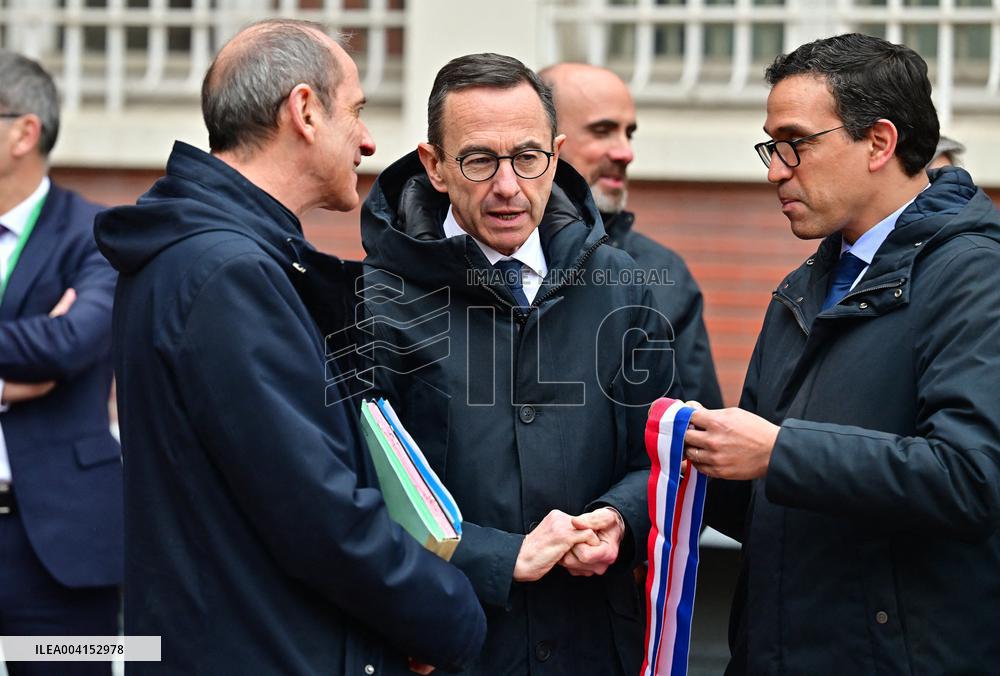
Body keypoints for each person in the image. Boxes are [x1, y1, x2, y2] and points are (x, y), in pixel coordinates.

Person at [93, 20, 485, 675]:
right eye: (356, 111)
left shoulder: (205, 256)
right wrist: (455, 618)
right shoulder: (228, 275)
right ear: (304, 110)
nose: (366, 140)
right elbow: (319, 516)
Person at [687, 33, 1000, 674]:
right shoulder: (807, 285)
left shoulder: (976, 277)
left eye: (795, 144)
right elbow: (767, 508)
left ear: (879, 143)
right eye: (770, 146)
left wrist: (779, 451)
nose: (775, 169)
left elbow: (973, 479)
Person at [359, 53, 679, 675]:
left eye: (528, 158)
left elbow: (666, 452)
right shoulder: (368, 300)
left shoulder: (624, 285)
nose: (508, 186)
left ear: (556, 157)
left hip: (595, 647)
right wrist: (498, 558)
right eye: (479, 160)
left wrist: (620, 518)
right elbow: (352, 490)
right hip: (452, 647)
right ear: (435, 167)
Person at [0, 50, 120, 676]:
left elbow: (73, 341)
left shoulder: (93, 231)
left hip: (58, 543)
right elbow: (45, 343)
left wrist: (52, 339)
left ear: (25, 131)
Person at [540, 62, 723, 409]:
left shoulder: (664, 272)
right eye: (602, 130)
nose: (626, 152)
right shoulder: (490, 256)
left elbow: (695, 429)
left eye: (629, 133)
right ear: (544, 140)